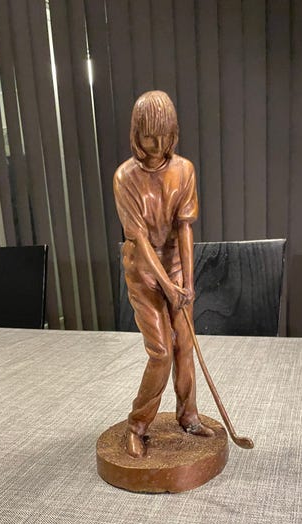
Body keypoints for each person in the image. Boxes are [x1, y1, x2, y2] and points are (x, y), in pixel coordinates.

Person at [113, 90, 214, 458]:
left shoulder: (184, 170)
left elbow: (185, 227)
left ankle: (188, 415)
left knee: (184, 344)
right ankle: (137, 424)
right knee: (160, 351)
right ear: (135, 135)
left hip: (175, 265)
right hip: (143, 270)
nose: (157, 146)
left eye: (165, 137)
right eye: (149, 137)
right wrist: (167, 286)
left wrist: (187, 282)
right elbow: (139, 237)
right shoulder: (125, 177)